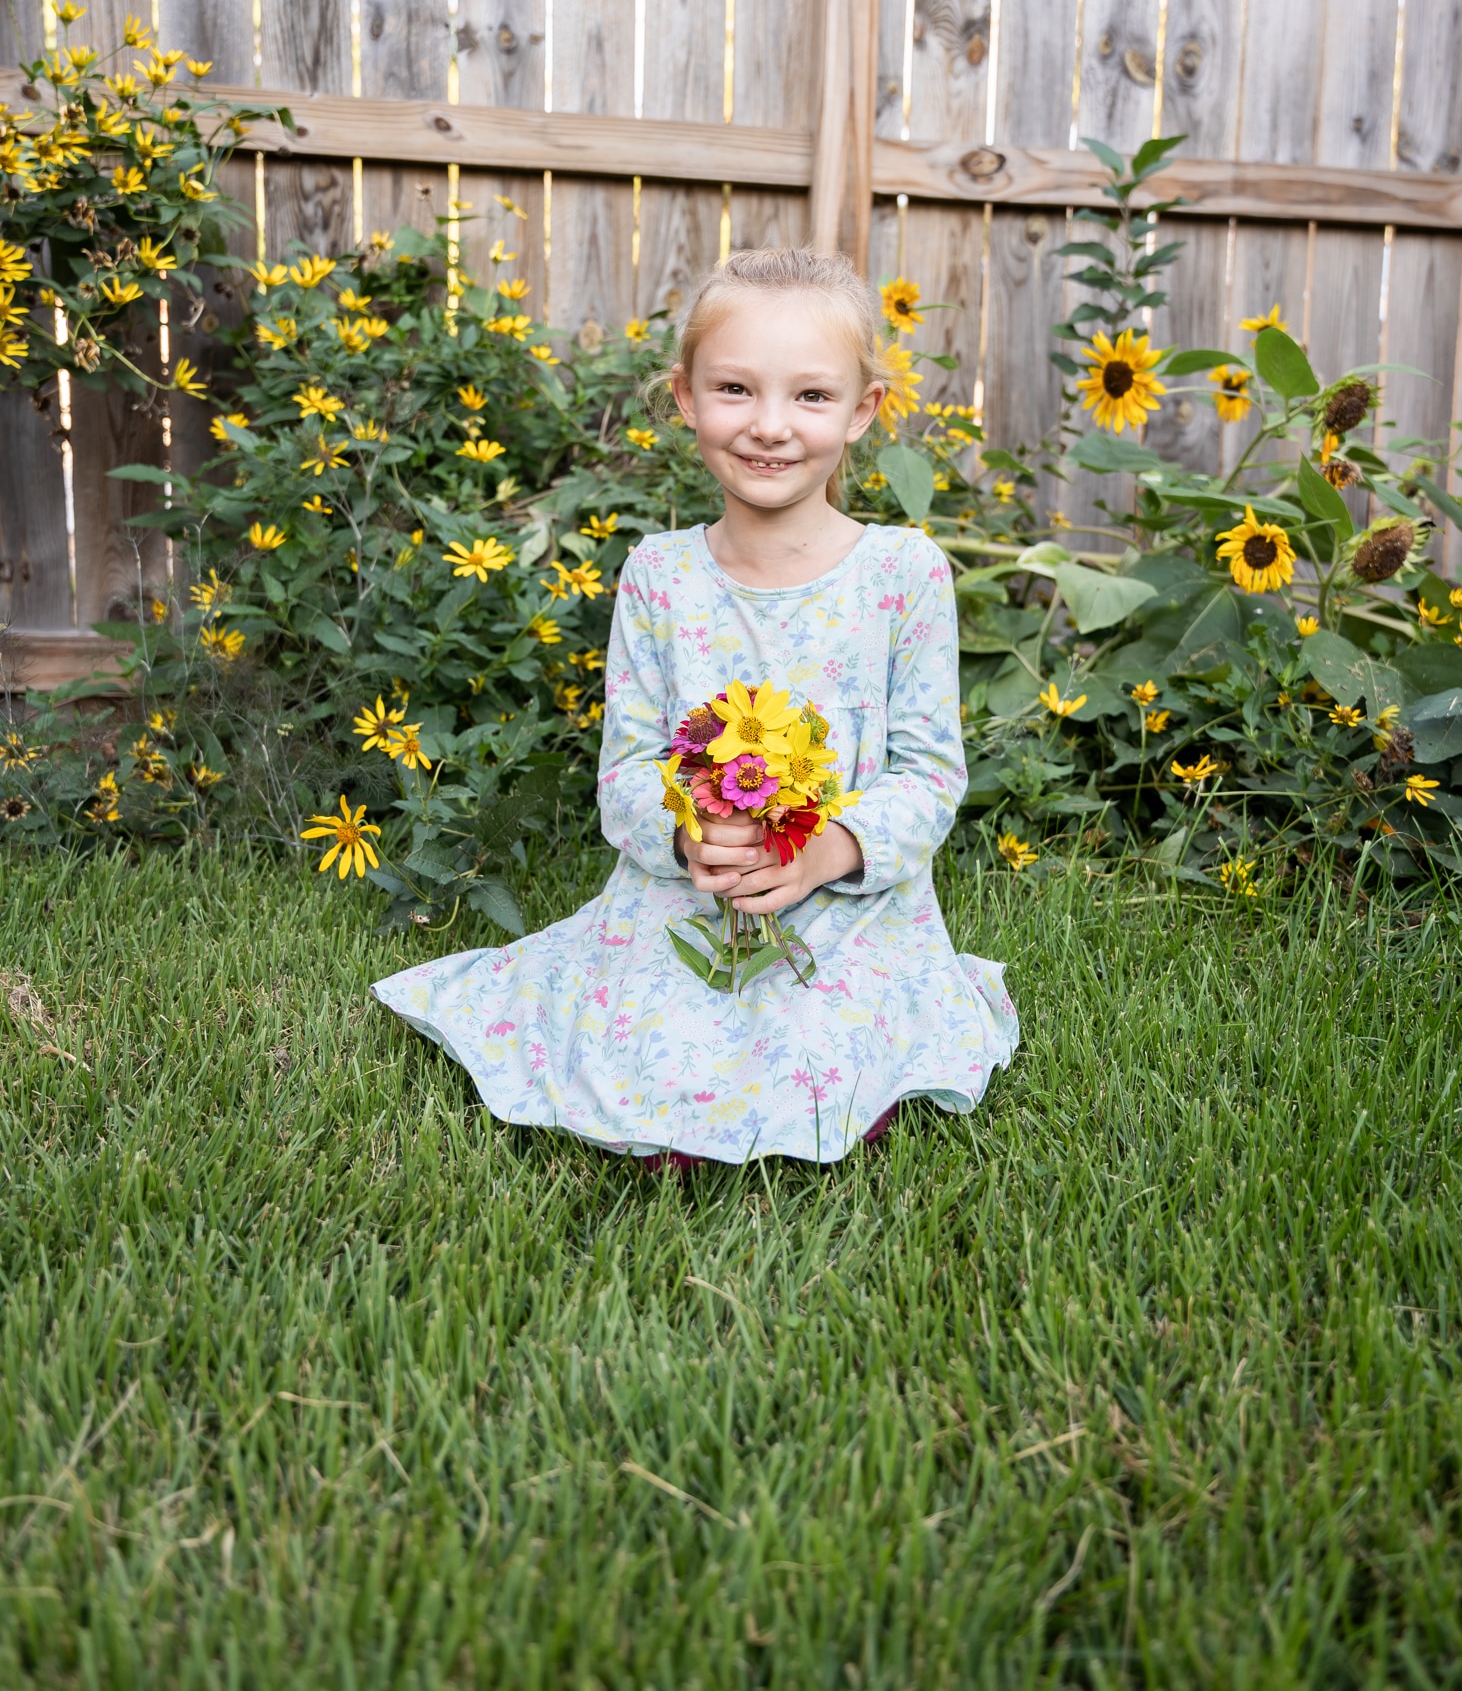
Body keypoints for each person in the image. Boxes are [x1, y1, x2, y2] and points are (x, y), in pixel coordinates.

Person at [373, 246, 1019, 1164]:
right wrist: (686, 838)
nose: (768, 426)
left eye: (810, 395)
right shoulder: (660, 575)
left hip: (848, 906)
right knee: (634, 1033)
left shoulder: (901, 573)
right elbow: (628, 772)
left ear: (862, 411)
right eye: (733, 390)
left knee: (818, 1047)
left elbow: (929, 776)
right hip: (688, 894)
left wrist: (829, 851)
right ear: (683, 398)